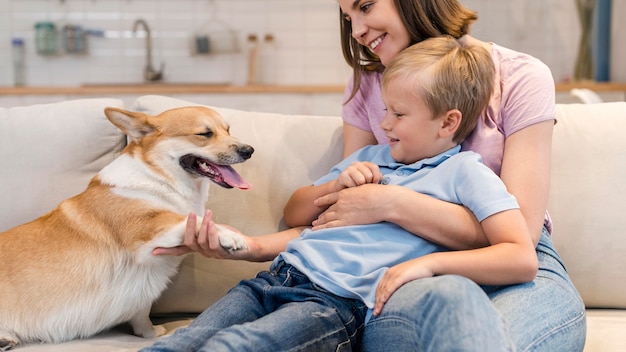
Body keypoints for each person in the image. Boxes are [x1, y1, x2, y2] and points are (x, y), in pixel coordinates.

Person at [143, 36, 536, 352]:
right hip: (274, 278)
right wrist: (338, 184)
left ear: (448, 122)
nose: (384, 123)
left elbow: (520, 257)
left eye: (399, 114)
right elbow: (298, 210)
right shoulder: (371, 158)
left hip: (332, 304)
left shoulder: (466, 173)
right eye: (385, 110)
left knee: (236, 346)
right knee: (184, 342)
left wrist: (431, 266)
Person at [287, 0, 584, 351]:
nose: (356, 31)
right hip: (399, 265)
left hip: (511, 267)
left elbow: (521, 234)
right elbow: (349, 208)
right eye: (348, 18)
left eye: (366, 6)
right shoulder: (367, 82)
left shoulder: (519, 76)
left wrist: (392, 203)